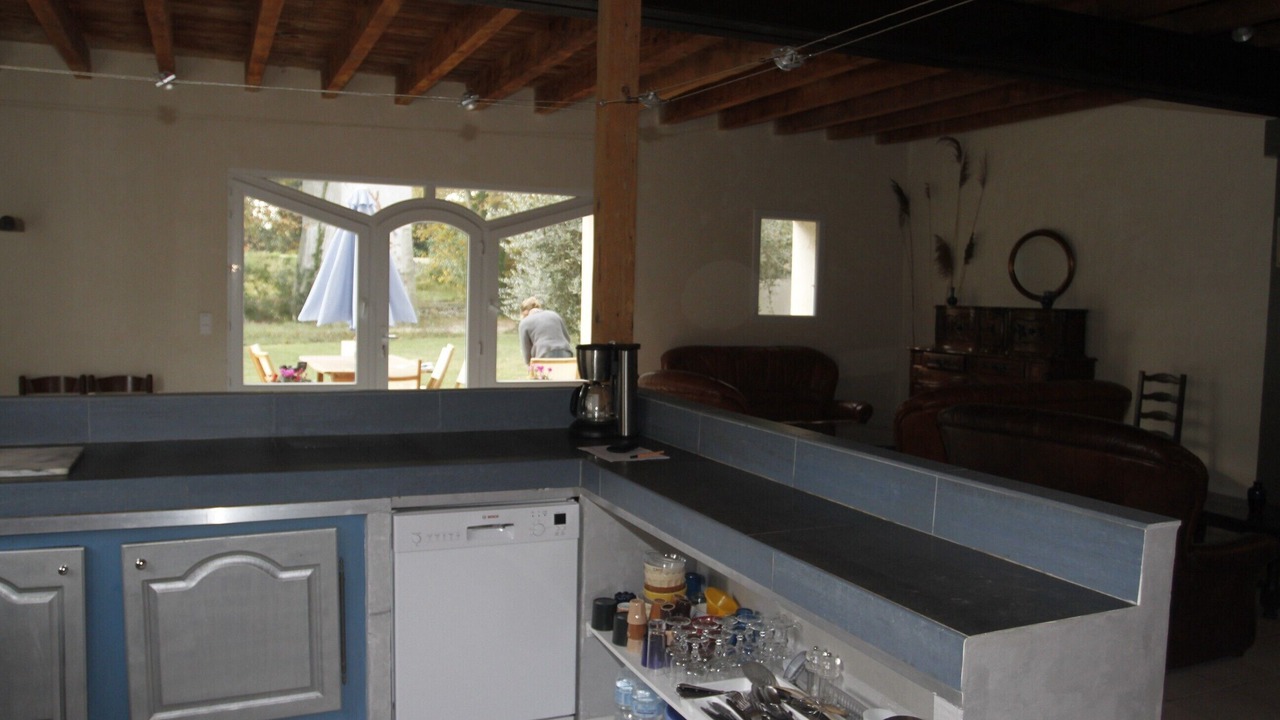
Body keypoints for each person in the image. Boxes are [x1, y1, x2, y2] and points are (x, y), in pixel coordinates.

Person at [518, 297, 574, 365]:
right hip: (566, 353)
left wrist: (529, 365)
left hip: (544, 355)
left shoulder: (524, 323)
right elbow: (567, 338)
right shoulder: (554, 315)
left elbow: (526, 351)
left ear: (525, 312)